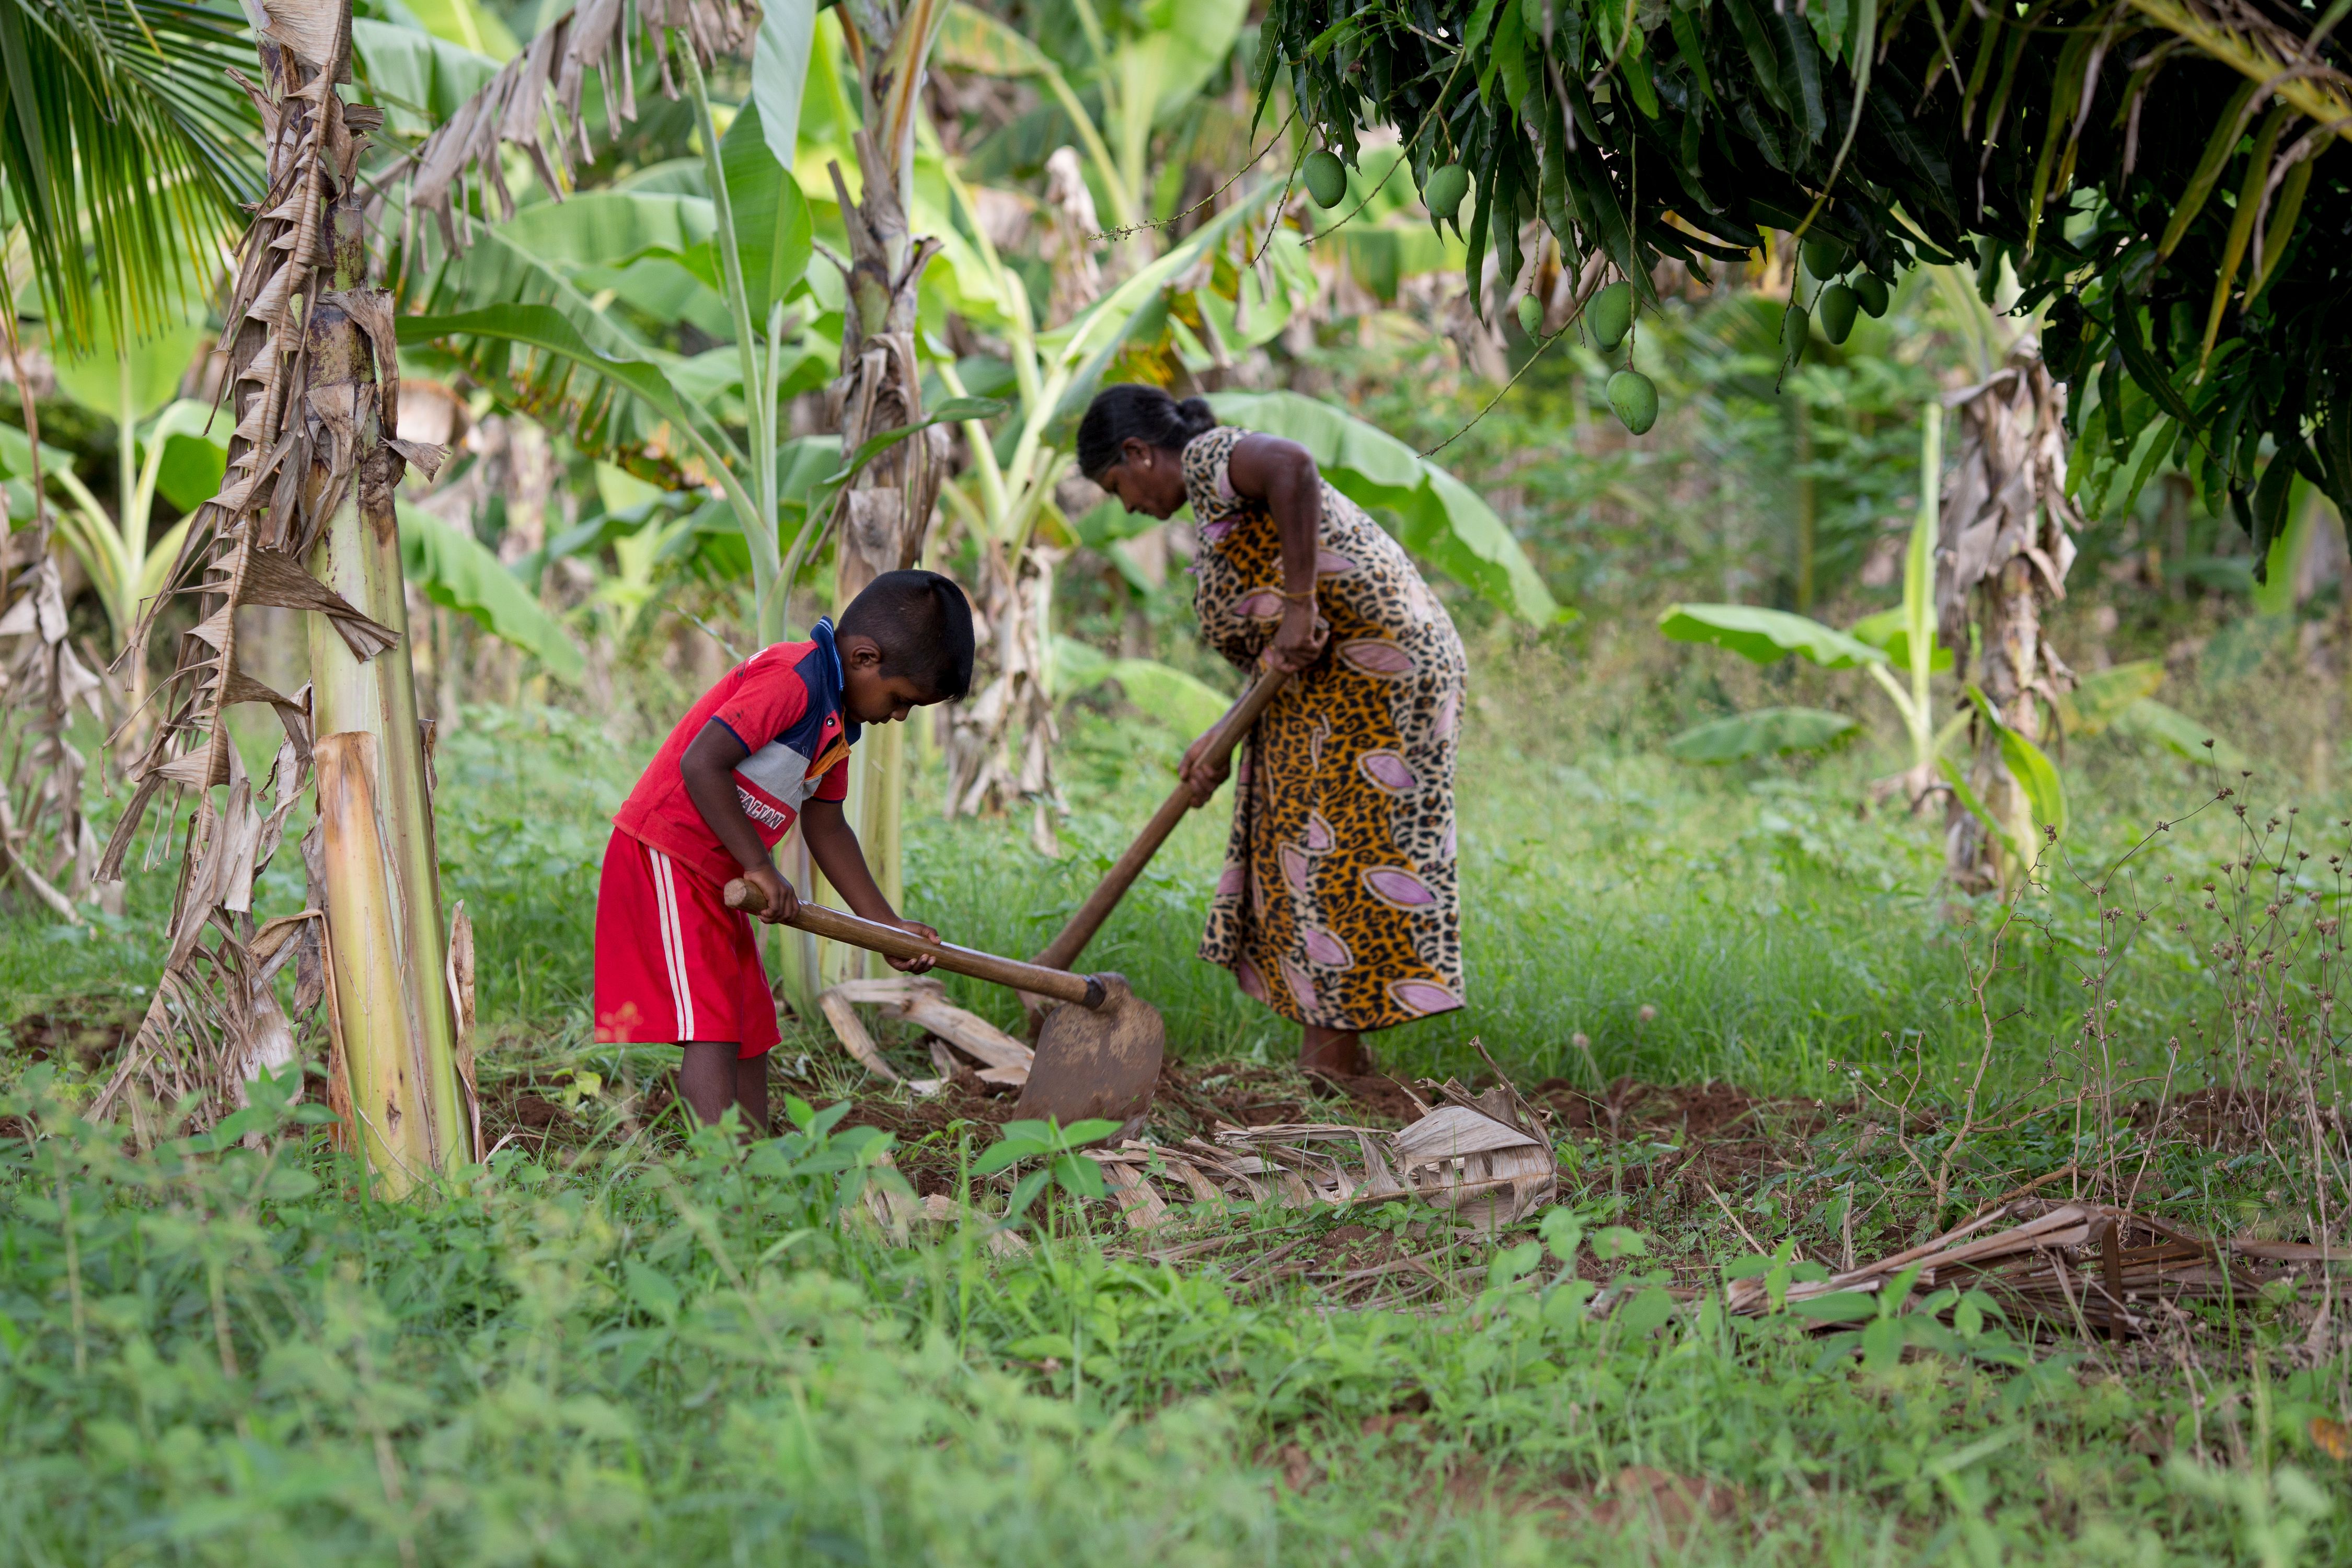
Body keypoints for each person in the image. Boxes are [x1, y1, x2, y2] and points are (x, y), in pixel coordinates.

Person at [1077, 385, 1467, 1076]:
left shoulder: (1209, 455)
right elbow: (1276, 654)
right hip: (1322, 688)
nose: (1129, 507)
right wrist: (1218, 738)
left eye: (1117, 486)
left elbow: (1292, 463)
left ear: (1138, 454)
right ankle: (1332, 1060)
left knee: (1338, 861)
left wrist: (1298, 603)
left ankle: (1332, 1067)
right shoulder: (1212, 508)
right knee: (1302, 858)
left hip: (1372, 676)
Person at [594, 570, 975, 1129]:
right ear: (865, 658)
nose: (898, 717)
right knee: (714, 1026)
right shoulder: (793, 679)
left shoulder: (839, 724)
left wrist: (885, 926)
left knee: (751, 1023)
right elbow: (702, 763)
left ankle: (755, 1175)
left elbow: (828, 828)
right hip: (669, 856)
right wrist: (758, 863)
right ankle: (719, 1180)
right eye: (901, 700)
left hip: (726, 880)